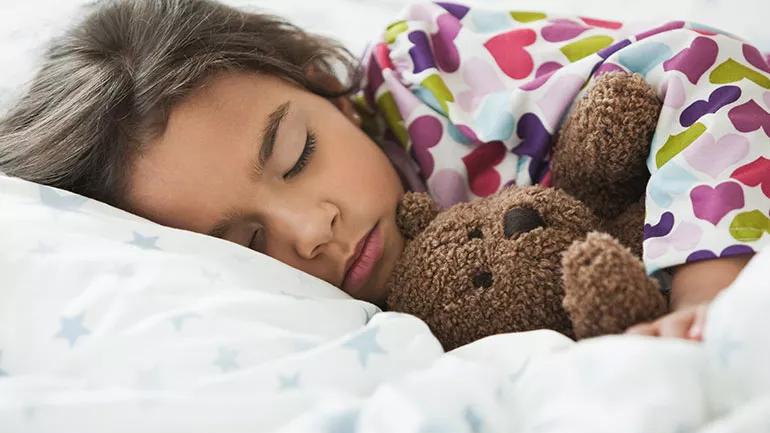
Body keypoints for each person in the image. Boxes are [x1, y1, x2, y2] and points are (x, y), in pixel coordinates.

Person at [0, 0, 765, 342]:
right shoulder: (297, 329)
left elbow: (703, 65)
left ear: (319, 83)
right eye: (247, 242)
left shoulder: (428, 69)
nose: (312, 230)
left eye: (297, 154)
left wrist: (707, 295)